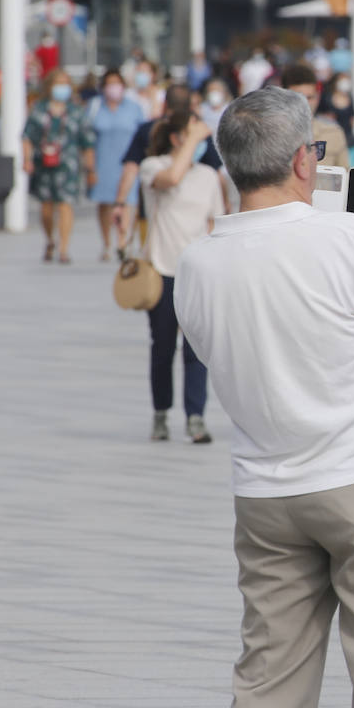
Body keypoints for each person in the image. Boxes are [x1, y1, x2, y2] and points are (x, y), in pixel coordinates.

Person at [174, 86, 354, 708]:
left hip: (266, 489)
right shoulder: (348, 237)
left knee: (270, 670)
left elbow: (216, 354)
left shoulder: (197, 263)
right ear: (303, 161)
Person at [136, 109, 223, 443]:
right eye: (191, 133)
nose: (200, 139)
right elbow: (171, 179)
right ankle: (160, 413)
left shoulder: (207, 176)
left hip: (198, 275)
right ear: (175, 138)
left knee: (196, 351)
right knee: (162, 348)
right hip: (162, 272)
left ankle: (196, 417)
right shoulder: (154, 167)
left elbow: (215, 222)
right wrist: (194, 138)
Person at [112, 87, 225, 246]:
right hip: (162, 240)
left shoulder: (193, 134)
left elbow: (130, 169)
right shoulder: (194, 134)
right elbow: (172, 177)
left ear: (164, 103)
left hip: (190, 230)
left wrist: (120, 203)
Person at [21, 70, 96, 264]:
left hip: (68, 165)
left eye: (65, 83)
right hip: (44, 164)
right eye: (57, 83)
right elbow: (27, 136)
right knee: (46, 208)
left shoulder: (76, 111)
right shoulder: (40, 108)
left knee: (65, 205)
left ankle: (64, 247)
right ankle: (50, 240)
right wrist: (27, 159)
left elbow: (87, 142)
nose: (61, 88)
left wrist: (91, 169)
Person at [88, 69, 145, 261]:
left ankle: (122, 242)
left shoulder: (134, 107)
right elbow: (88, 138)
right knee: (104, 204)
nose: (113, 88)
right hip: (103, 161)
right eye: (109, 84)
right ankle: (106, 243)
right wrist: (89, 166)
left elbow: (142, 136)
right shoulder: (95, 107)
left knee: (127, 201)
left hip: (128, 162)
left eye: (117, 83)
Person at [283, 64, 350, 170]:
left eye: (309, 97)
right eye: (298, 97)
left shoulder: (333, 133)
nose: (305, 103)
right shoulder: (270, 134)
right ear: (283, 98)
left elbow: (345, 177)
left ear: (318, 97)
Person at [319, 70, 354, 164]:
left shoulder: (350, 99)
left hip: (349, 140)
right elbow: (319, 115)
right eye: (342, 80)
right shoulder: (326, 98)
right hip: (331, 140)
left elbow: (353, 118)